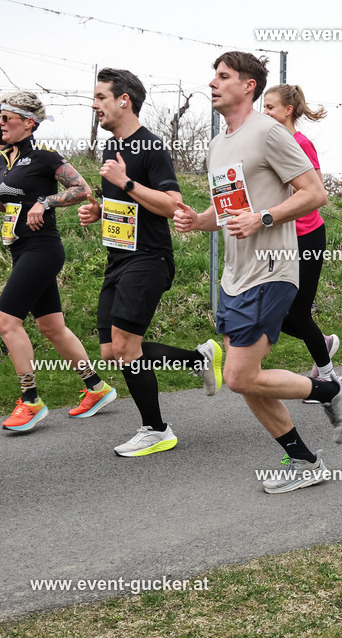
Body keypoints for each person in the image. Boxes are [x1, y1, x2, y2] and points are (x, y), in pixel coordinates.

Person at [173, 52, 342, 493]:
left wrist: (265, 219)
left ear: (249, 86)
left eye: (223, 77)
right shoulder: (219, 144)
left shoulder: (270, 132)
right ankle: (304, 461)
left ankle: (333, 392)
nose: (213, 83)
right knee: (246, 379)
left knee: (237, 375)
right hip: (234, 274)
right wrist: (199, 220)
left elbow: (314, 194)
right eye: (213, 76)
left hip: (272, 267)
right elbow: (229, 206)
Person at [77, 68, 223, 456]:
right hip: (118, 258)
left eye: (101, 97)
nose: (95, 105)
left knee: (127, 348)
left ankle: (156, 429)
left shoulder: (151, 147)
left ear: (123, 99)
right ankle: (197, 359)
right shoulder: (111, 149)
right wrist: (99, 210)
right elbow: (125, 206)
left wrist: (127, 183)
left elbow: (172, 204)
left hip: (149, 258)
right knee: (111, 351)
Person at [0, 91, 117, 432]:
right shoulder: (4, 159)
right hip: (20, 249)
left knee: (7, 322)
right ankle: (96, 387)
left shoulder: (44, 156)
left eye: (6, 117)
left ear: (28, 122)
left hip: (42, 250)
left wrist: (45, 202)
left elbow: (81, 189)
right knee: (52, 326)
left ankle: (30, 400)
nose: (1, 123)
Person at [262, 84, 340, 387]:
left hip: (306, 236)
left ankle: (329, 375)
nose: (264, 113)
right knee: (273, 313)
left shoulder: (300, 143)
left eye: (269, 107)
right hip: (278, 239)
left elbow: (316, 190)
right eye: (264, 107)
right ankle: (322, 342)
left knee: (297, 311)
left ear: (287, 110)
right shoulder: (271, 145)